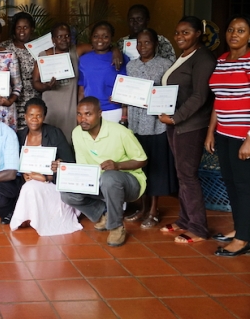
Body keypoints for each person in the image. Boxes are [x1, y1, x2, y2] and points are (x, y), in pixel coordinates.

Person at [158, 16, 216, 244]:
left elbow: (200, 96)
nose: (180, 37)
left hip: (190, 126)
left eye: (186, 32)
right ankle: (184, 220)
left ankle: (199, 228)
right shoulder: (183, 56)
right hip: (176, 124)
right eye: (177, 32)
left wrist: (176, 118)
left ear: (198, 34)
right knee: (182, 174)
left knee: (188, 176)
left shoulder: (203, 59)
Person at [61, 97, 148, 247]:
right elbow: (83, 167)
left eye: (88, 114)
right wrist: (64, 168)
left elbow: (142, 160)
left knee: (109, 178)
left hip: (130, 183)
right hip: (99, 182)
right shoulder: (77, 133)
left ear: (100, 113)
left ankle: (116, 226)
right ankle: (105, 214)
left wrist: (118, 165)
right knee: (67, 193)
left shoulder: (120, 132)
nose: (83, 119)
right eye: (79, 114)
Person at [205, 14, 250, 256]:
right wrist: (211, 132)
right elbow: (219, 99)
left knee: (244, 186)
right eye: (231, 29)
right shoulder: (222, 59)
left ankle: (243, 239)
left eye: (241, 30)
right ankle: (241, 227)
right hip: (223, 133)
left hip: (243, 136)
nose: (234, 34)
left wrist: (249, 140)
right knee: (231, 184)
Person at [124, 28, 178, 229]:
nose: (142, 47)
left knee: (155, 168)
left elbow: (171, 94)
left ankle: (154, 210)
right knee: (140, 168)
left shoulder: (166, 66)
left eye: (147, 42)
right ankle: (142, 207)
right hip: (136, 124)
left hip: (156, 125)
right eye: (139, 43)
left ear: (155, 44)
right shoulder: (132, 66)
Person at [10, 98, 81, 235]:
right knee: (27, 186)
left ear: (44, 117)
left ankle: (28, 218)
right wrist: (23, 173)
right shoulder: (19, 136)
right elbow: (14, 162)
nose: (34, 119)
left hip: (51, 183)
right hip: (27, 181)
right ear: (25, 116)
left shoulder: (55, 133)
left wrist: (47, 176)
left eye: (39, 115)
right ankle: (28, 216)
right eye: (31, 115)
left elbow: (69, 163)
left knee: (30, 188)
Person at [33, 22, 80, 141]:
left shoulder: (76, 51)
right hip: (51, 108)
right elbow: (35, 82)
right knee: (50, 140)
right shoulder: (44, 55)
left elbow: (98, 46)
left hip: (70, 109)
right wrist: (46, 87)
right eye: (59, 36)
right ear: (53, 39)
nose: (64, 39)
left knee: (70, 141)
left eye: (67, 36)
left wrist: (115, 50)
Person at [77, 21, 129, 123]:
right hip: (89, 111)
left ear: (111, 38)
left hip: (113, 110)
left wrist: (124, 114)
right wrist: (79, 113)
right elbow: (82, 89)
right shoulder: (83, 60)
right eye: (96, 36)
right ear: (91, 37)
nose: (100, 40)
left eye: (105, 36)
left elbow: (127, 87)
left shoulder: (121, 59)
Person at [0, 12, 40, 130]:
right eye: (18, 27)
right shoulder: (5, 47)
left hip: (33, 95)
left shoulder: (39, 47)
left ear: (32, 29)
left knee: (31, 129)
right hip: (11, 97)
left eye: (25, 27)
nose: (22, 30)